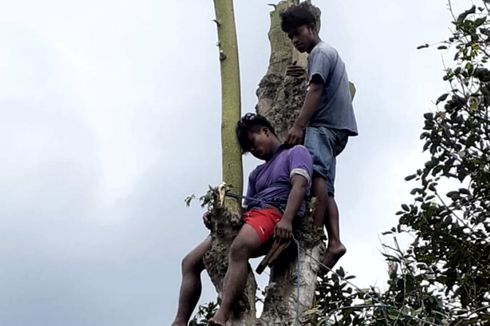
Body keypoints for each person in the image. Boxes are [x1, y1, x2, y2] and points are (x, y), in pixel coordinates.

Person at [171, 113, 313, 326]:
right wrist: (219, 216)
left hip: (275, 212)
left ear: (266, 131)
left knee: (239, 248)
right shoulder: (256, 174)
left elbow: (300, 186)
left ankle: (223, 313)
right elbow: (248, 206)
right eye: (248, 149)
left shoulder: (296, 153)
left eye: (253, 142)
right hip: (253, 216)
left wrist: (286, 220)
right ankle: (180, 321)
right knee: (189, 262)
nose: (253, 151)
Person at [280, 2, 358, 270]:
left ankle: (313, 230)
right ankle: (335, 241)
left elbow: (315, 90)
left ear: (311, 28)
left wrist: (299, 125)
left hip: (324, 126)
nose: (295, 40)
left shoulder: (321, 52)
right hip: (335, 128)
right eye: (291, 37)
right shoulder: (325, 54)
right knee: (327, 184)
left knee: (315, 176)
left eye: (297, 33)